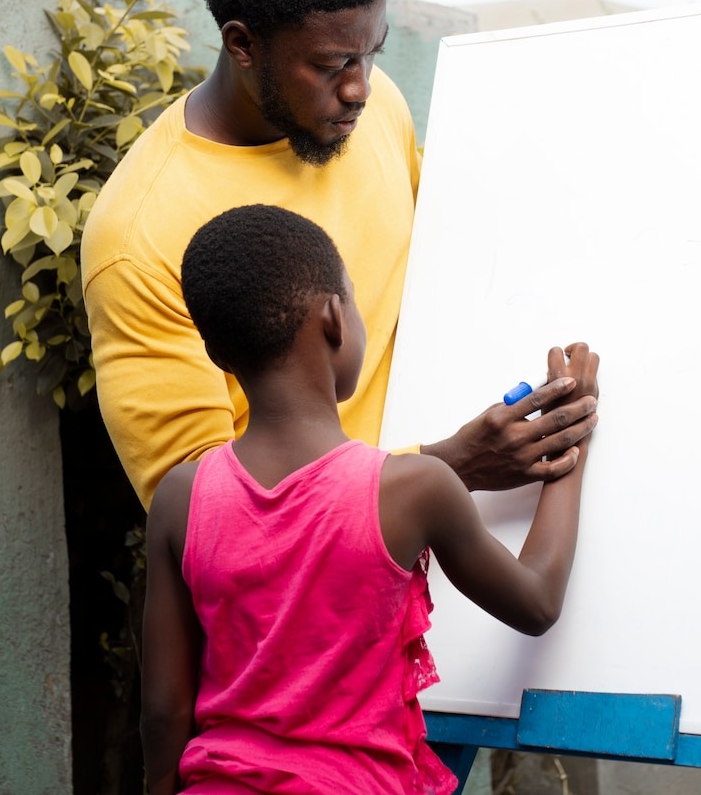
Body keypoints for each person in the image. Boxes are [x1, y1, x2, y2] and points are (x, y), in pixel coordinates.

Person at [81, 0, 598, 510]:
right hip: (353, 556)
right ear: (243, 45)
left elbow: (445, 273)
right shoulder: (137, 238)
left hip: (474, 514)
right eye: (332, 65)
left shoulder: (375, 111)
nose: (360, 88)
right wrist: (448, 467)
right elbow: (212, 517)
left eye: (371, 53)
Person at [139, 204, 599, 795]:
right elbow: (535, 603)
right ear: (336, 317)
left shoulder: (181, 498)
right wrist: (571, 438)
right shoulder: (413, 488)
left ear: (219, 355)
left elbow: (164, 711)